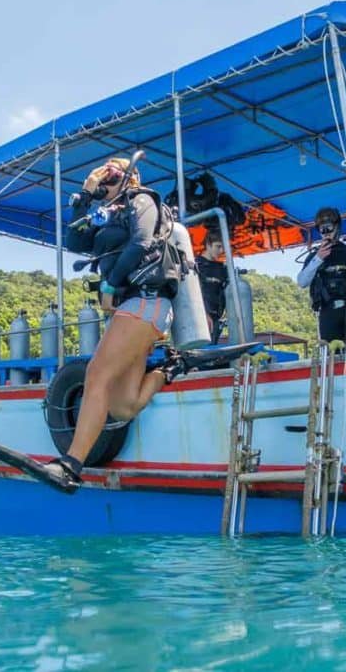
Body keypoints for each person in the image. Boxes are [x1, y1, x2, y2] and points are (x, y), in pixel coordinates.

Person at [41, 158, 188, 492]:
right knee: (123, 405)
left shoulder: (142, 200)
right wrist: (84, 197)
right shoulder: (106, 213)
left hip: (145, 299)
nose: (104, 177)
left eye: (112, 172)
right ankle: (171, 369)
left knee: (97, 375)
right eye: (102, 173)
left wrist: (111, 285)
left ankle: (71, 465)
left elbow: (141, 244)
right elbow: (75, 242)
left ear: (131, 177)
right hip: (134, 309)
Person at [296, 206, 346, 350]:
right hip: (327, 312)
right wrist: (318, 258)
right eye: (321, 229)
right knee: (331, 355)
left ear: (337, 227)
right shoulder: (314, 256)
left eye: (328, 228)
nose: (325, 233)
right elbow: (302, 282)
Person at [195, 229, 228, 344]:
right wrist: (204, 313)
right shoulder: (196, 265)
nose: (221, 251)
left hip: (216, 319)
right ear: (208, 245)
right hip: (199, 318)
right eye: (218, 246)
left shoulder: (222, 269)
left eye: (223, 247)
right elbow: (193, 294)